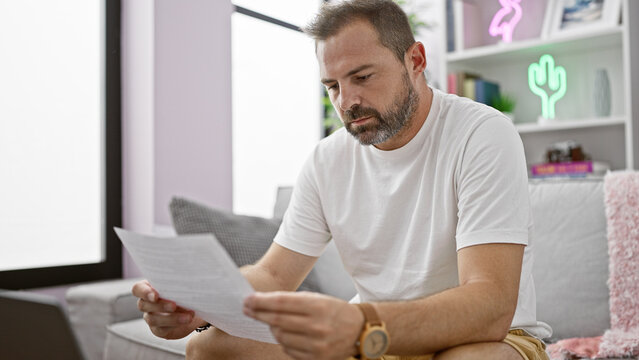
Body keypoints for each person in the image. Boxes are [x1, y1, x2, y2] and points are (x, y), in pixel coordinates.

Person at [132, 1, 553, 359]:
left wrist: (357, 324)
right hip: (370, 337)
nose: (346, 102)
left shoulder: (481, 133)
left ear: (416, 61)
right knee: (209, 349)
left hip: (481, 339)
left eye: (362, 77)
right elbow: (275, 277)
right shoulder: (327, 159)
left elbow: (490, 305)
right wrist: (196, 305)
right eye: (332, 85)